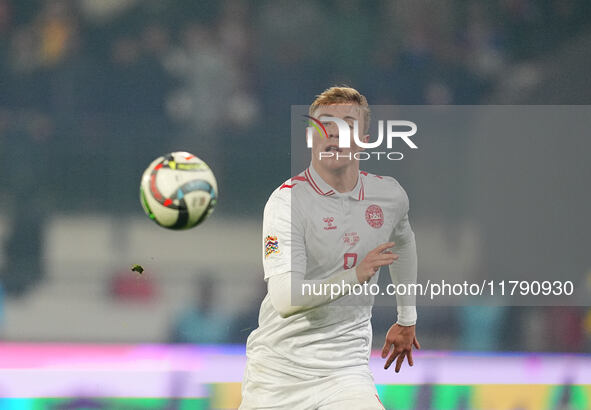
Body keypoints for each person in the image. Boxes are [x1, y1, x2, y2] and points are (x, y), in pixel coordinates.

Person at [240, 86, 419, 409]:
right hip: (279, 374)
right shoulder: (287, 203)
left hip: (344, 371)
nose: (334, 133)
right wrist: (356, 274)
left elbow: (403, 241)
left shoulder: (388, 196)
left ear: (364, 138)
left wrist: (407, 316)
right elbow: (284, 298)